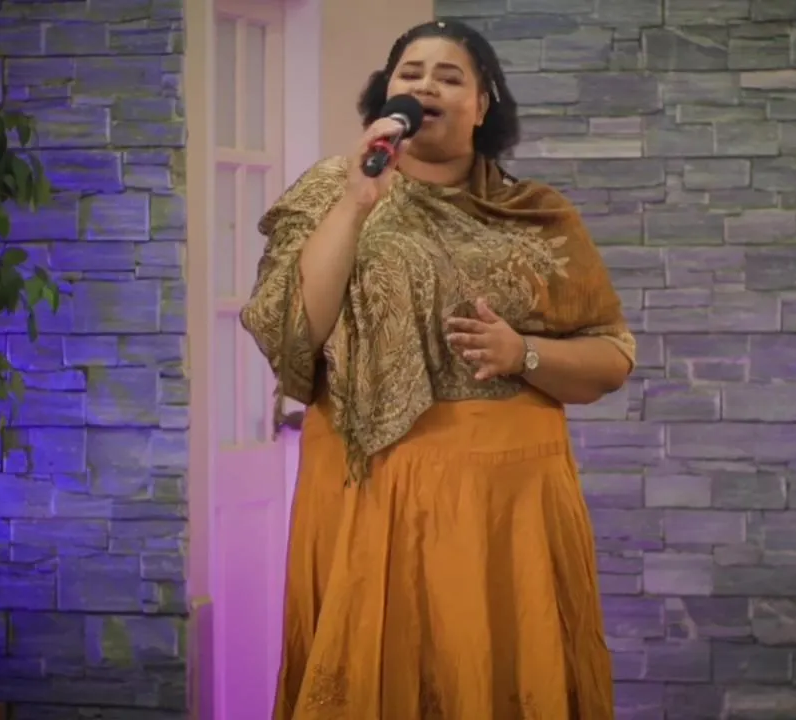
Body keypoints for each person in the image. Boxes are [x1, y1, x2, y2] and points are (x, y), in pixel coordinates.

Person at [241, 19, 635, 720]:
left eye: (449, 78)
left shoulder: (536, 214)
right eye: (410, 74)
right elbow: (295, 332)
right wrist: (358, 202)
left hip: (504, 506)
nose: (426, 86)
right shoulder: (332, 191)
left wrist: (523, 353)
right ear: (386, 95)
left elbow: (611, 355)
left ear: (482, 105)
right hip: (370, 492)